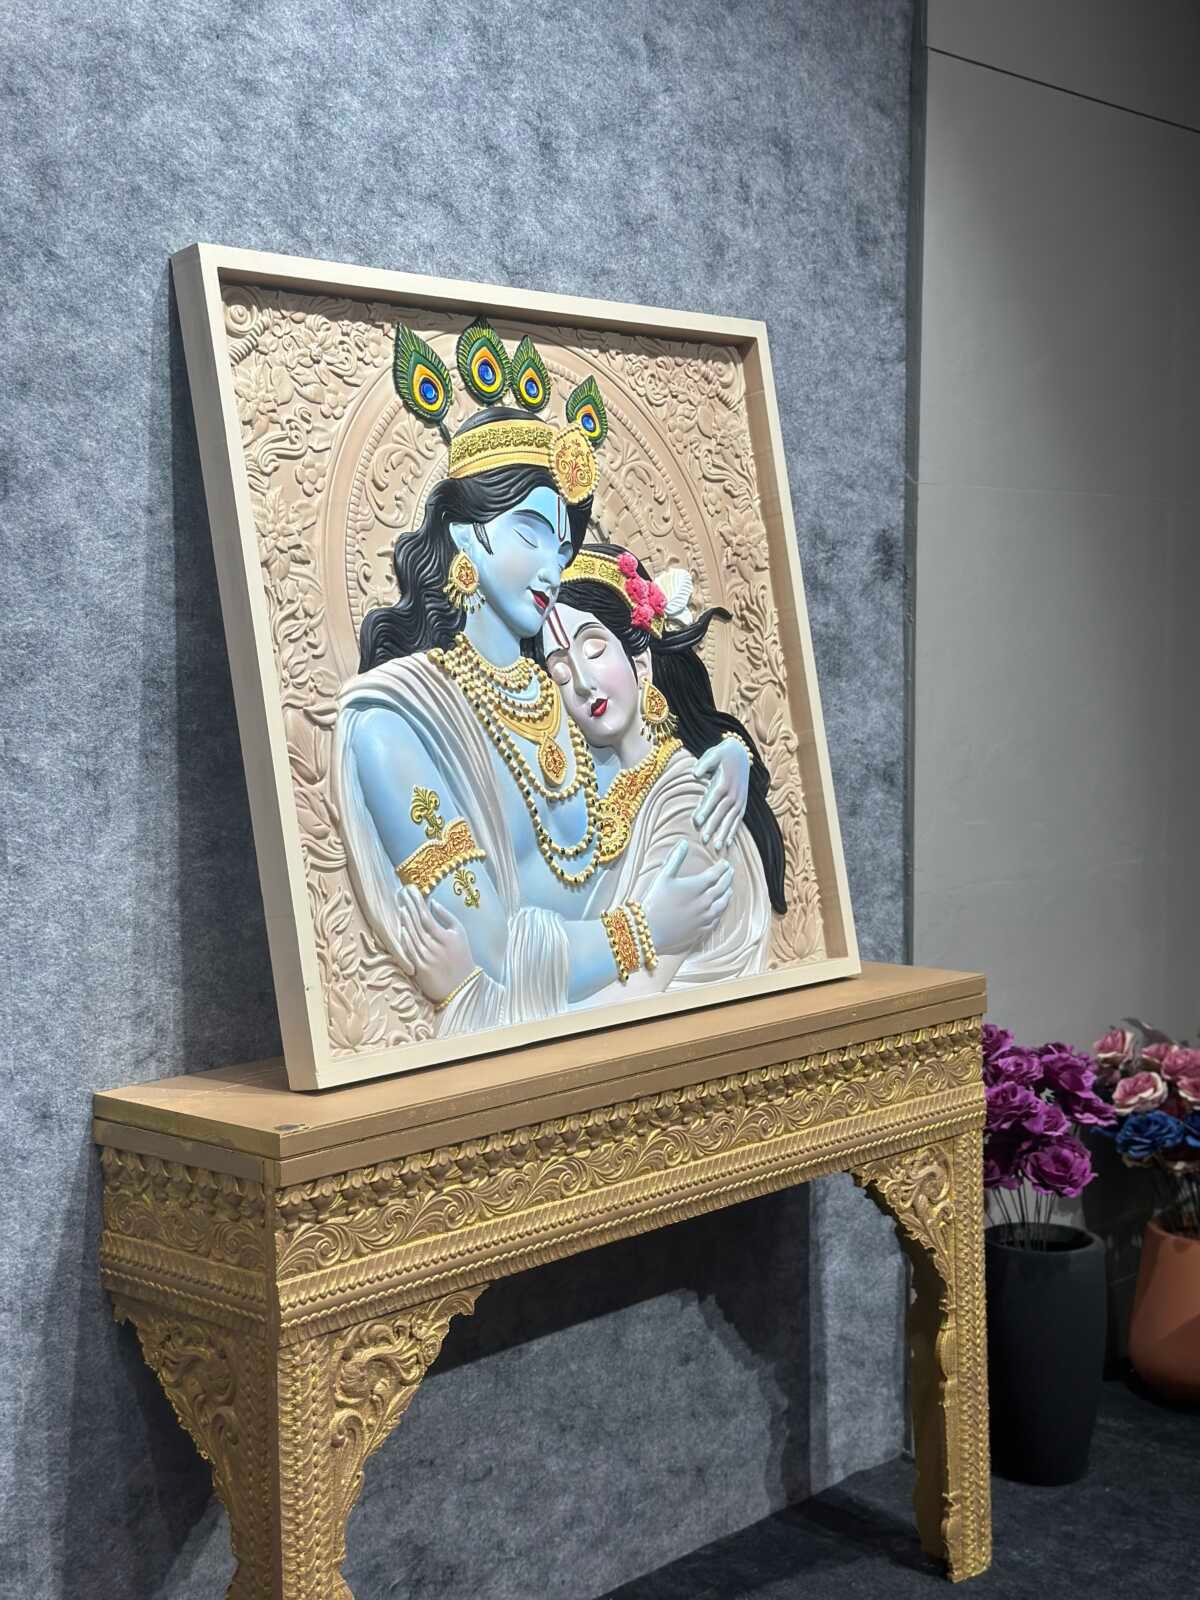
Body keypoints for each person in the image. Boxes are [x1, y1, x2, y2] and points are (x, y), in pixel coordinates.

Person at [332, 320, 751, 1030]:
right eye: (530, 533)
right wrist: (644, 928)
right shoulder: (395, 725)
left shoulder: (555, 691)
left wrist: (730, 756)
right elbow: (487, 948)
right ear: (466, 534)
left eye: (560, 546)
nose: (552, 568)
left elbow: (654, 777)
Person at [393, 541, 784, 1020]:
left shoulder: (693, 801)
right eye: (559, 672)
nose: (581, 682)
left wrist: (466, 995)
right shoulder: (592, 792)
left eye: (594, 650)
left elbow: (626, 1007)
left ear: (642, 662)